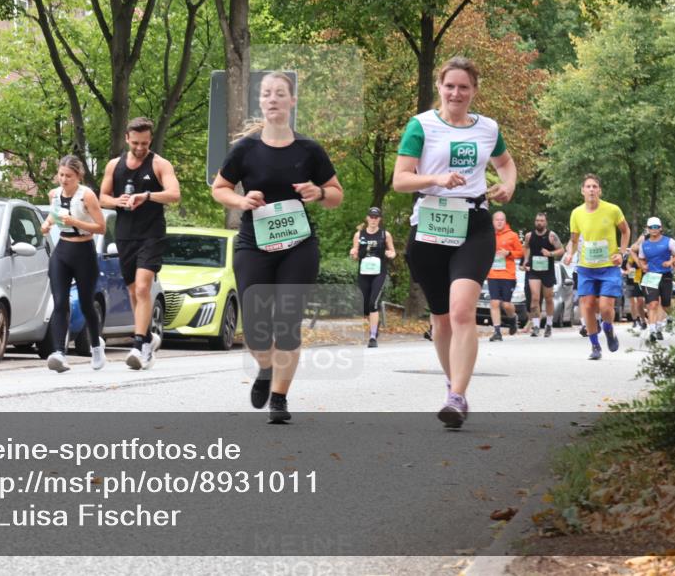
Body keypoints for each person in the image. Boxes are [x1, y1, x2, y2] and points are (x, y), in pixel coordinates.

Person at [211, 71, 344, 424]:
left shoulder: (309, 150)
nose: (273, 99)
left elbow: (336, 194)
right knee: (255, 328)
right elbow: (219, 188)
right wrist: (241, 201)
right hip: (255, 245)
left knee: (286, 324)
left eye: (280, 93)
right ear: (260, 101)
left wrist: (320, 193)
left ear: (291, 101)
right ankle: (266, 369)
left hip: (298, 247)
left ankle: (280, 399)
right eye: (267, 93)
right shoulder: (246, 149)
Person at [393, 56, 517, 429]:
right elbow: (400, 179)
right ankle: (453, 382)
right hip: (430, 224)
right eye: (450, 86)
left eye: (464, 87)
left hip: (473, 225)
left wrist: (507, 186)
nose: (456, 93)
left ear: (474, 91)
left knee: (462, 310)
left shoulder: (488, 128)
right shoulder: (421, 126)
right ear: (440, 88)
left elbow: (506, 164)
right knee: (441, 318)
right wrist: (437, 178)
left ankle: (457, 396)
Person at [99, 117, 180, 370]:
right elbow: (102, 198)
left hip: (151, 234)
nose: (140, 147)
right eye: (135, 143)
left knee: (144, 289)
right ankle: (146, 337)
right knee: (134, 292)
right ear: (127, 139)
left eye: (144, 143)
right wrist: (118, 202)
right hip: (124, 234)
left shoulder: (159, 164)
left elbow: (174, 194)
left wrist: (147, 196)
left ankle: (138, 346)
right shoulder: (115, 165)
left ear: (150, 140)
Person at [41, 156, 107, 372]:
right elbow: (55, 214)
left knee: (87, 304)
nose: (63, 179)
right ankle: (59, 353)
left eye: (69, 176)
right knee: (60, 302)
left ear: (79, 176)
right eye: (61, 175)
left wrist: (76, 222)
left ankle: (96, 346)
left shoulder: (87, 196)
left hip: (84, 251)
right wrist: (47, 223)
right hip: (62, 250)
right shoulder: (54, 194)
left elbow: (101, 227)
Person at [562, 174, 631, 360]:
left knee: (606, 307)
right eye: (588, 186)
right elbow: (574, 240)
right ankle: (595, 346)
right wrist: (569, 253)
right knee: (588, 305)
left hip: (609, 267)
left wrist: (622, 253)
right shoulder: (576, 213)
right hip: (586, 267)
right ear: (582, 191)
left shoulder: (613, 210)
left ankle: (608, 328)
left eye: (595, 186)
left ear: (599, 190)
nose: (591, 189)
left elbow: (625, 231)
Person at [349, 206, 396, 348]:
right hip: (363, 273)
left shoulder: (385, 235)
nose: (374, 219)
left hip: (379, 273)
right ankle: (376, 324)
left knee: (373, 304)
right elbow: (355, 255)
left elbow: (392, 251)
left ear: (379, 219)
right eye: (371, 216)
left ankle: (373, 336)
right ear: (367, 218)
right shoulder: (359, 235)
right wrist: (353, 253)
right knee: (365, 306)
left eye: (376, 217)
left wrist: (391, 254)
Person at [637, 216, 675, 342]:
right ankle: (652, 331)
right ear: (648, 229)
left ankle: (670, 317)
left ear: (660, 228)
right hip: (650, 276)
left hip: (665, 276)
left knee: (665, 304)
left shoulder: (669, 241)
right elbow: (641, 258)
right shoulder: (644, 245)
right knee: (652, 304)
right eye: (651, 227)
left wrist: (671, 262)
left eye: (656, 227)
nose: (653, 229)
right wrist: (643, 265)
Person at [522, 213, 565, 337]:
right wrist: (525, 260)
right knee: (535, 297)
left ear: (546, 222)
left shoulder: (551, 236)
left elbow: (561, 250)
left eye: (541, 221)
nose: (539, 223)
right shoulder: (529, 236)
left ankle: (549, 325)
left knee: (548, 298)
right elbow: (526, 248)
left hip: (548, 271)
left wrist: (550, 253)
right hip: (534, 270)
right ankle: (536, 326)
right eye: (537, 220)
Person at [487, 211, 524, 342]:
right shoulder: (488, 235)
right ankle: (497, 331)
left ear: (505, 221)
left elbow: (520, 252)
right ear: (493, 221)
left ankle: (513, 318)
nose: (499, 222)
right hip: (492, 273)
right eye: (497, 220)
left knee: (506, 305)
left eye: (502, 220)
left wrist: (508, 253)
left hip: (508, 275)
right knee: (494, 302)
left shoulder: (512, 235)